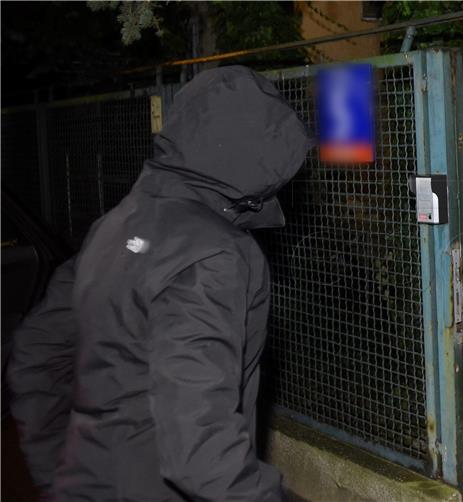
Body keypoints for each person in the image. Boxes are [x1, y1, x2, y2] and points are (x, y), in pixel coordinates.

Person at [7, 65, 314, 501]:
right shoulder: (216, 253)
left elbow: (35, 354)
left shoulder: (118, 222)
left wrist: (59, 469)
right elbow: (201, 452)